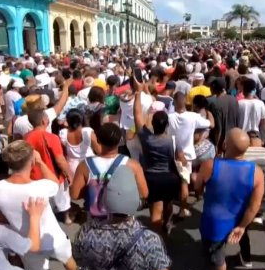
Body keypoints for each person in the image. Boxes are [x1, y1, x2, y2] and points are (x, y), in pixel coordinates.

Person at [0, 140, 87, 270]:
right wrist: (40, 162)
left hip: (25, 241)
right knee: (67, 258)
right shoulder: (41, 187)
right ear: (31, 161)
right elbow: (54, 182)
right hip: (53, 238)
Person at [73, 165, 174, 270]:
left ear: (105, 200)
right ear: (136, 202)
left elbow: (80, 259)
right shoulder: (148, 239)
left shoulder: (86, 232)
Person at [194, 128, 264, 270]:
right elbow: (255, 205)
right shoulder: (256, 172)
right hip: (238, 219)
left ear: (225, 144)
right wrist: (242, 226)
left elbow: (198, 186)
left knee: (218, 261)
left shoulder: (210, 165)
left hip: (214, 223)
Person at [70, 123, 149, 219]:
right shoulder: (132, 165)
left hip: (96, 221)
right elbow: (144, 193)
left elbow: (74, 195)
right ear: (120, 140)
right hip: (123, 219)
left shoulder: (85, 165)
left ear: (98, 140)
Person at [134, 82, 182, 235]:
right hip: (169, 177)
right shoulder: (171, 140)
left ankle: (157, 239)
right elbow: (175, 160)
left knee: (155, 210)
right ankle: (167, 224)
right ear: (167, 125)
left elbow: (137, 116)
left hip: (152, 178)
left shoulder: (146, 138)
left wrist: (138, 94)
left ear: (152, 124)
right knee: (168, 204)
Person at [24, 109, 74, 224]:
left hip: (35, 176)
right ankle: (66, 218)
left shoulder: (26, 137)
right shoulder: (51, 137)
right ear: (43, 121)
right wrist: (69, 174)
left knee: (44, 200)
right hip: (54, 175)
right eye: (47, 118)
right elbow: (60, 160)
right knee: (63, 198)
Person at [169, 91, 212, 218]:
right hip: (187, 155)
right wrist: (208, 112)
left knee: (177, 182)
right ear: (185, 102)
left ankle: (176, 208)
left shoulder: (169, 117)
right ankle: (183, 209)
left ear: (174, 103)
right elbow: (209, 124)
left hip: (173, 153)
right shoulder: (193, 116)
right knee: (184, 182)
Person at [59, 109, 100, 174]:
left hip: (72, 167)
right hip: (89, 164)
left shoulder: (63, 133)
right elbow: (98, 150)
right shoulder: (87, 132)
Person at [207, 78, 239, 154]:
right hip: (234, 137)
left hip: (222, 141)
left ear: (214, 88)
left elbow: (218, 127)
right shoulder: (234, 99)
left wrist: (216, 145)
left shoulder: (215, 103)